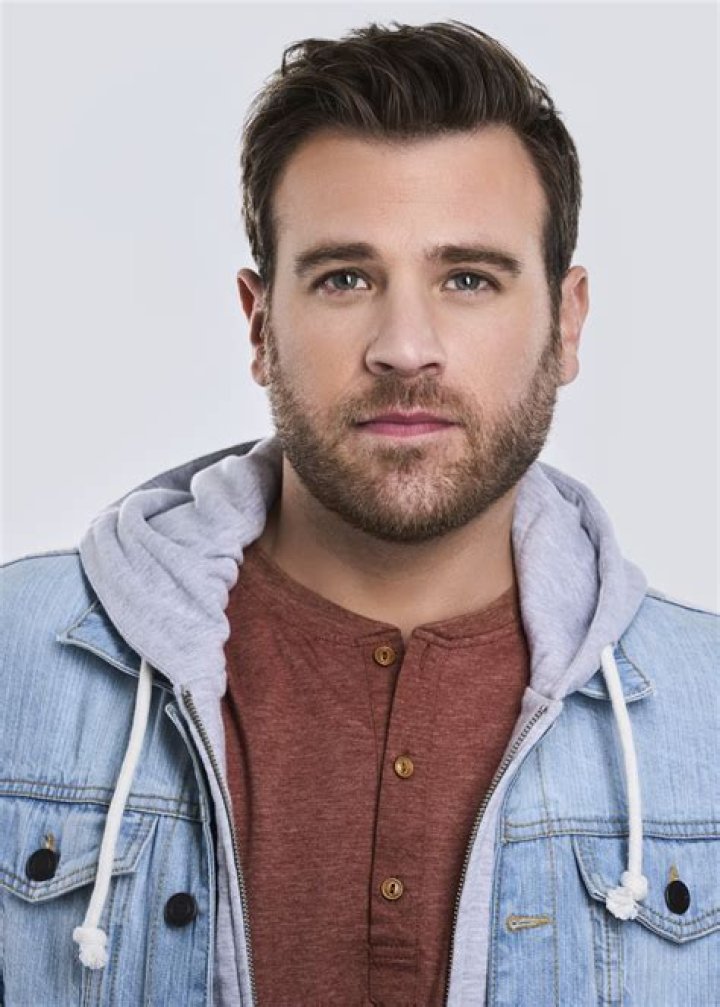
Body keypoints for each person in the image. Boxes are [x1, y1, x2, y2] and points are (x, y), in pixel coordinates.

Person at [1, 18, 717, 1007]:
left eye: (468, 278)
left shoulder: (709, 708)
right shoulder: (14, 660)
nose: (405, 346)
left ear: (568, 323)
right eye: (345, 277)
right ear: (260, 325)